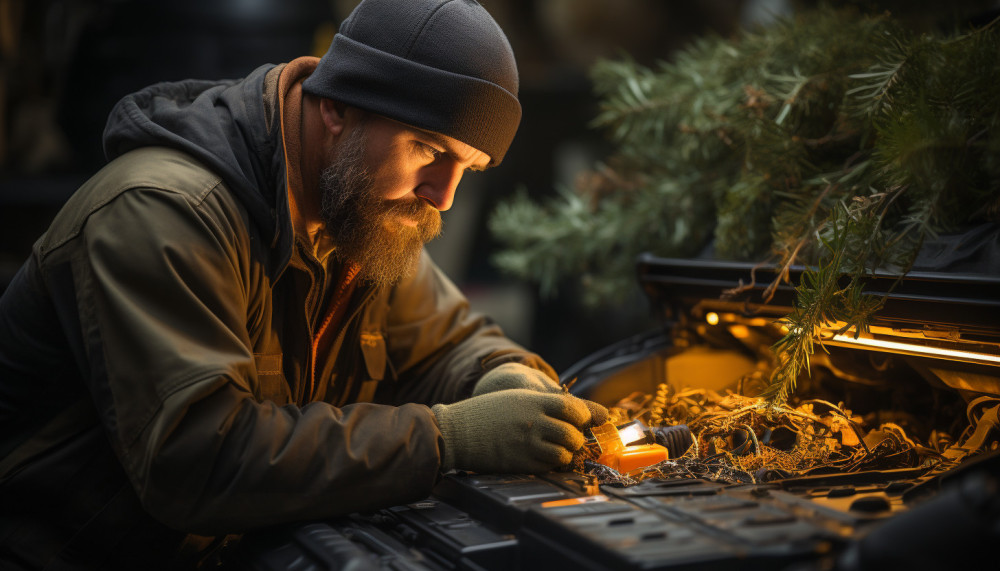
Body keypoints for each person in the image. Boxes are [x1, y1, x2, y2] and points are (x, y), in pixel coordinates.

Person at [0, 0, 609, 568]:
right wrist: (448, 440)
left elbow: (450, 343)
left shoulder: (359, 210)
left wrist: (500, 376)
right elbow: (200, 462)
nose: (443, 196)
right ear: (336, 108)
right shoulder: (162, 213)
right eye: (427, 149)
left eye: (468, 169)